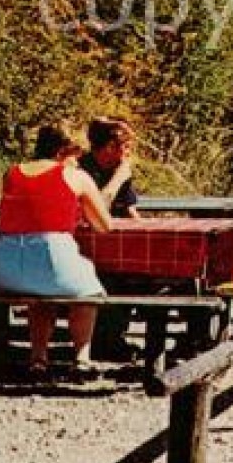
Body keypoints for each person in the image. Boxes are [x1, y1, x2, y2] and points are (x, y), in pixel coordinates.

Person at [0, 125, 114, 377]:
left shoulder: (11, 173)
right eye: (75, 154)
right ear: (62, 151)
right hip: (51, 254)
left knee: (40, 290)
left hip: (6, 262)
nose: (77, 160)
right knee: (87, 291)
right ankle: (81, 357)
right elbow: (104, 225)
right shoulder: (75, 176)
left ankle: (38, 357)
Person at [81, 119, 141, 363]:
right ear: (108, 147)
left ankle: (113, 338)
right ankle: (104, 341)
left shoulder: (120, 169)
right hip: (85, 244)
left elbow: (129, 209)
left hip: (112, 241)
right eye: (124, 147)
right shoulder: (81, 170)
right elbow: (95, 210)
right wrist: (117, 179)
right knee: (112, 278)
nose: (127, 153)